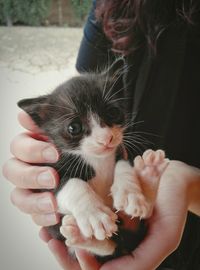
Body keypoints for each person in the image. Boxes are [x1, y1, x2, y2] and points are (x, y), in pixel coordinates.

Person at [3, 0, 200, 269]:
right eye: (74, 128)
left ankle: (112, 231)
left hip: (183, 244)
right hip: (109, 224)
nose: (105, 136)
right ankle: (105, 236)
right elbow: (81, 94)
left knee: (121, 195)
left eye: (112, 116)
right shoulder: (115, 7)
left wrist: (187, 185)